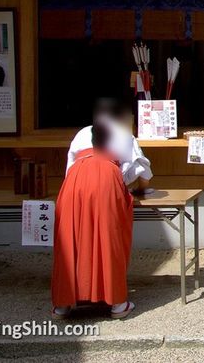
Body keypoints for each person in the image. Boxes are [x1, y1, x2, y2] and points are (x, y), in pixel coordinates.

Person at [51, 117, 136, 319]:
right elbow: (136, 169)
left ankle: (63, 304)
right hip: (107, 177)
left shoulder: (82, 132)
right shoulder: (125, 135)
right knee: (109, 236)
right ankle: (117, 303)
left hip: (75, 179)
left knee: (69, 237)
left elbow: (69, 164)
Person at [67, 100, 152, 190]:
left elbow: (70, 166)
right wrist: (141, 189)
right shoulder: (124, 134)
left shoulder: (82, 133)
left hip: (77, 184)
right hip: (108, 184)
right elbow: (143, 168)